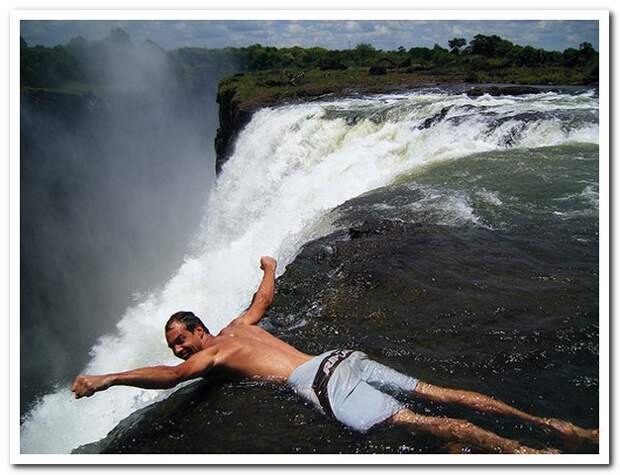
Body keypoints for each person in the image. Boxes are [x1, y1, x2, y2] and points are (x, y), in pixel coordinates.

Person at [72, 256, 598, 454]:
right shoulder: (239, 325)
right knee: (443, 394)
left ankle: (527, 456)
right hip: (342, 357)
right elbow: (262, 301)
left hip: (321, 382)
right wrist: (270, 268)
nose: (180, 349)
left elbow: (169, 378)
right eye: (175, 345)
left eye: (181, 339)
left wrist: (107, 379)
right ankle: (558, 427)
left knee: (426, 421)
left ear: (198, 331)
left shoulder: (212, 355)